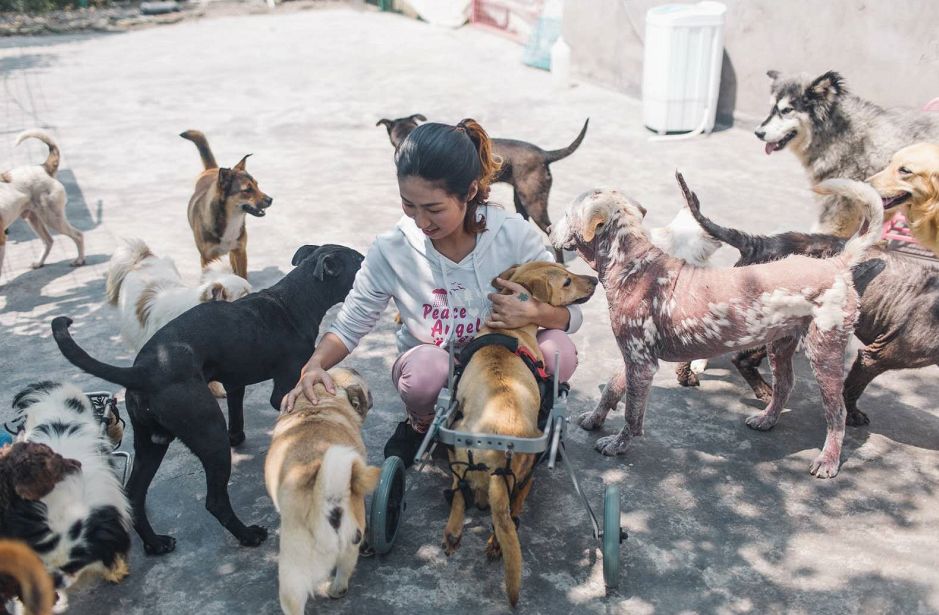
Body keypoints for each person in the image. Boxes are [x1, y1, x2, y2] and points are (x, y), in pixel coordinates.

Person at [280, 118, 583, 466]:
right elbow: (350, 323)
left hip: (505, 369)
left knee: (559, 350)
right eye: (409, 204)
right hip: (440, 370)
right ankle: (422, 423)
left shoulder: (513, 236)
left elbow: (571, 315)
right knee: (424, 371)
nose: (421, 221)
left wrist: (536, 314)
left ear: (469, 192)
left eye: (434, 209)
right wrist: (314, 365)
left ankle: (531, 415)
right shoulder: (393, 248)